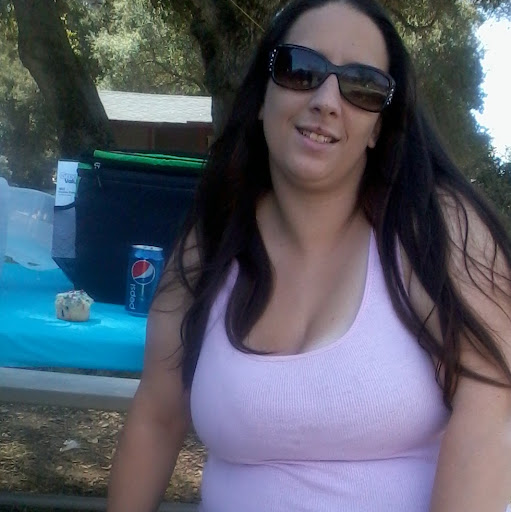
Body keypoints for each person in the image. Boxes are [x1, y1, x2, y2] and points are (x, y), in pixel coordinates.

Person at [107, 0, 511, 510]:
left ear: (378, 128)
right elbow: (157, 416)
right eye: (301, 70)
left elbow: (490, 413)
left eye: (362, 86)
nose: (327, 101)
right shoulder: (212, 240)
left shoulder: (437, 229)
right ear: (262, 97)